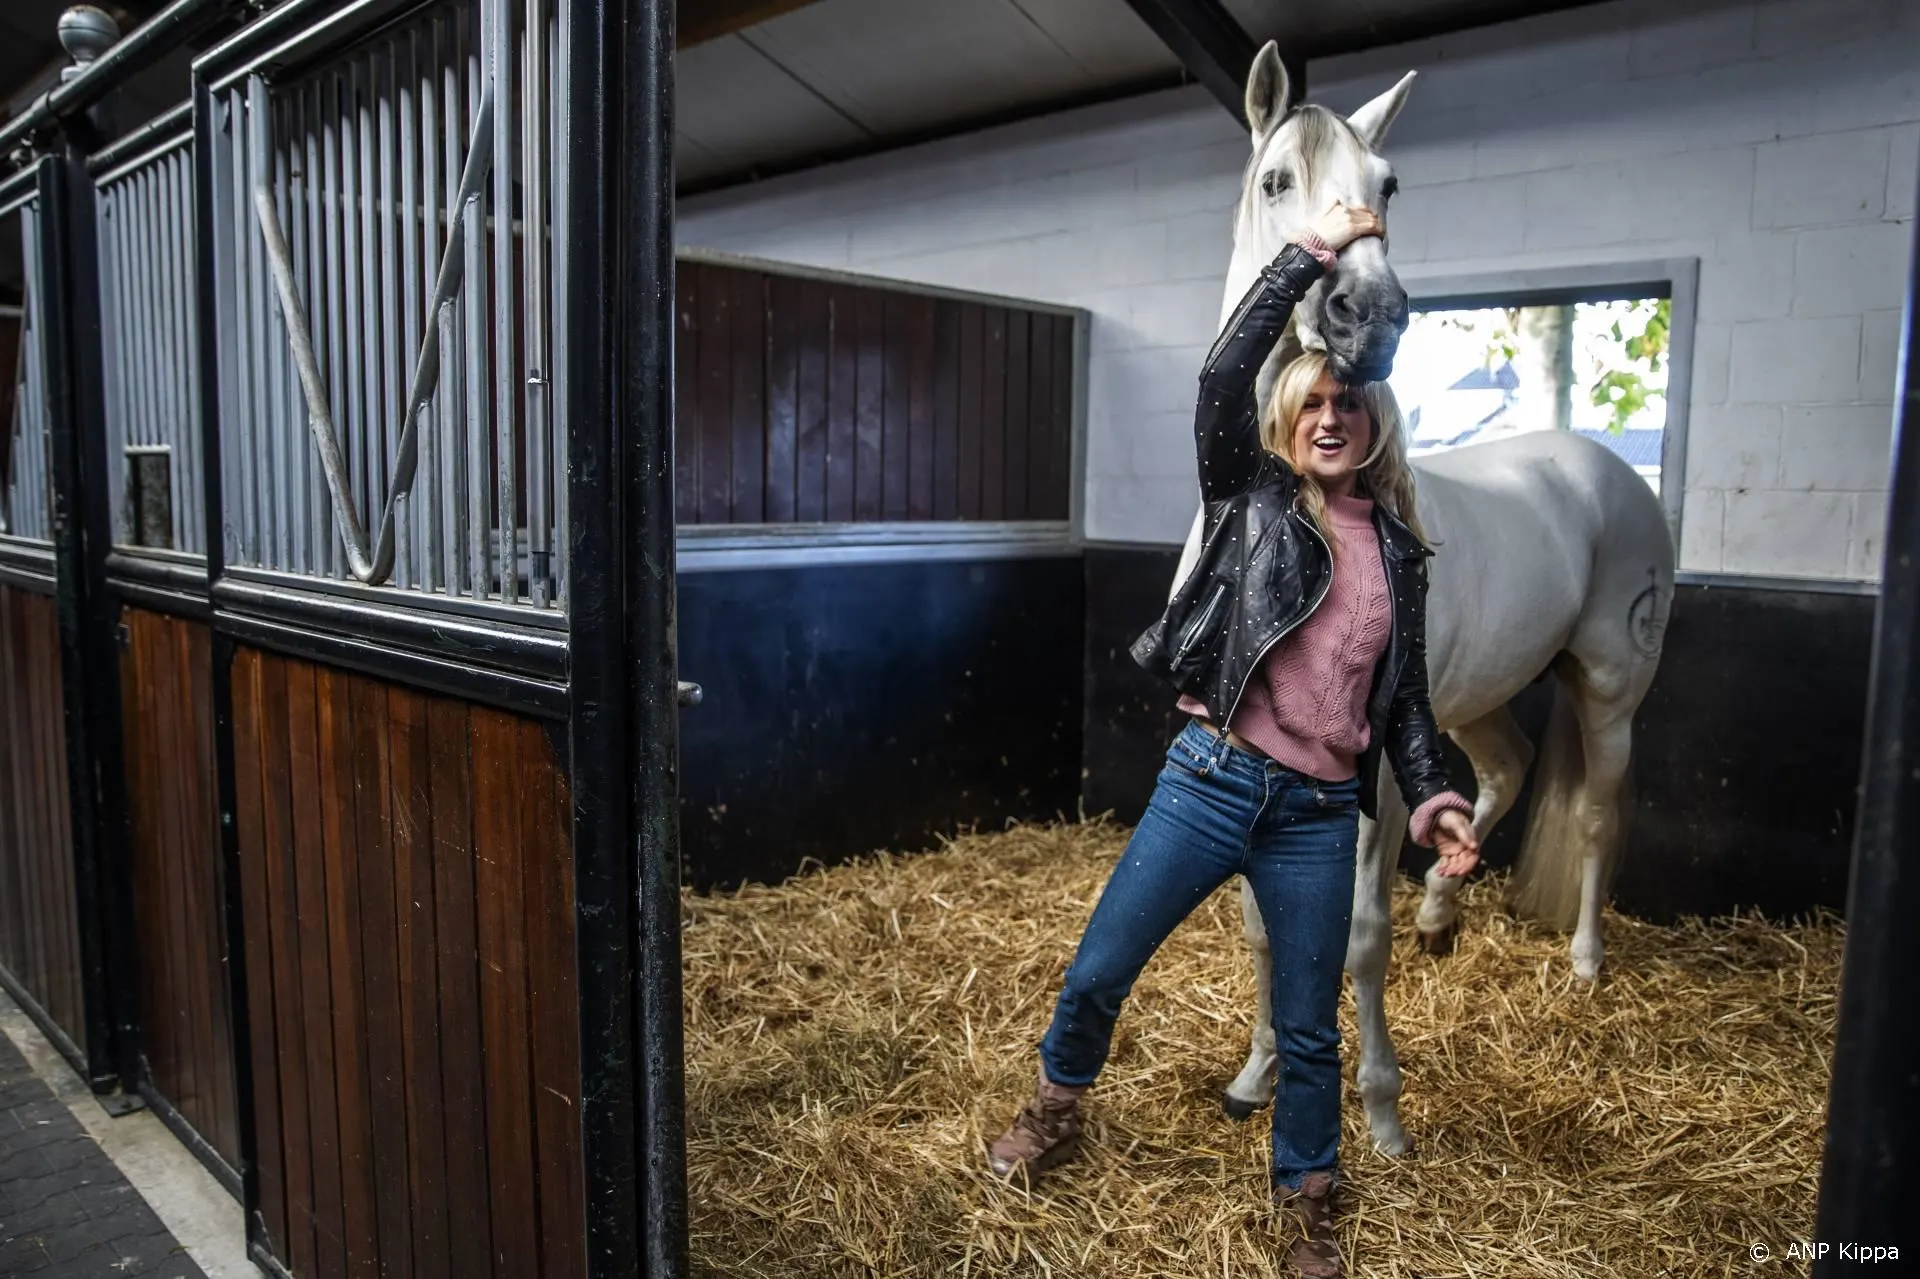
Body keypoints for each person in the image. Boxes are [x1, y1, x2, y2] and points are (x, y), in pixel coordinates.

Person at [985, 205, 1481, 1279]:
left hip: (1317, 816)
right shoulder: (1248, 497)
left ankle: (1308, 1199)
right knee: (1101, 968)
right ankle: (1056, 1106)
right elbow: (1220, 376)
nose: (1331, 417)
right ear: (1287, 419)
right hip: (1209, 781)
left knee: (1308, 1031)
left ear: (1376, 422)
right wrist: (1310, 255)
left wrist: (1437, 796)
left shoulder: (1402, 553)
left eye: (1349, 402)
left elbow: (1404, 703)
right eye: (1313, 403)